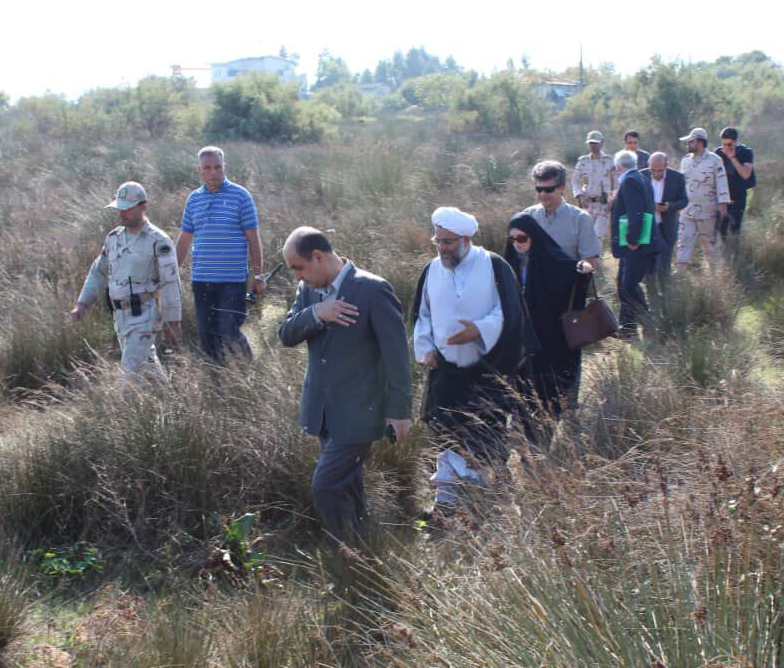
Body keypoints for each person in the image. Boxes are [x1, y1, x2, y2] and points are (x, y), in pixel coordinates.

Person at [277, 227, 412, 544]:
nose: (297, 276)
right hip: (324, 411)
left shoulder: (373, 290)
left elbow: (397, 356)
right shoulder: (308, 292)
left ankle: (343, 548)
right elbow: (286, 334)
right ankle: (364, 547)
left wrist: (400, 412)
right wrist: (317, 313)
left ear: (318, 257)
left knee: (325, 486)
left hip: (360, 412)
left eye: (298, 267)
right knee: (348, 484)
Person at [411, 207, 536, 508]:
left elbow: (510, 313)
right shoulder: (431, 269)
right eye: (438, 241)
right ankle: (446, 501)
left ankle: (481, 498)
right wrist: (426, 347)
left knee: (483, 433)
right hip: (445, 369)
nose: (443, 248)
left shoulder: (494, 266)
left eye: (449, 242)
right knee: (446, 432)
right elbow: (422, 314)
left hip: (487, 370)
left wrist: (478, 331)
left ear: (466, 239)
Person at [71, 181, 182, 381]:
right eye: (119, 208)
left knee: (129, 377)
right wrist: (82, 304)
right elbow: (98, 271)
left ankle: (121, 412)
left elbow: (170, 282)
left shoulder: (158, 240)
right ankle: (172, 401)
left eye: (127, 208)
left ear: (142, 207)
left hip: (144, 317)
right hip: (121, 318)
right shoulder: (113, 238)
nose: (122, 213)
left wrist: (172, 322)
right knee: (148, 369)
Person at [175, 146, 265, 364]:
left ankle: (248, 373)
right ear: (200, 170)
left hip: (232, 280)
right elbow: (184, 239)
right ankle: (216, 385)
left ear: (224, 167)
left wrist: (259, 276)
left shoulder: (241, 196)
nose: (213, 172)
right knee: (207, 336)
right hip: (202, 280)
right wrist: (170, 272)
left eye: (218, 167)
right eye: (207, 168)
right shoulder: (193, 199)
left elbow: (253, 239)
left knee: (228, 330)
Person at [503, 213, 593, 422]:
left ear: (533, 236)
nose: (517, 244)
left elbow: (571, 271)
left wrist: (582, 271)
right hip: (520, 338)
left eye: (522, 238)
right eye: (512, 239)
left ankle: (546, 427)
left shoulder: (551, 260)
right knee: (520, 389)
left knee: (547, 386)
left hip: (548, 335)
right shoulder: (508, 263)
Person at [610, 151, 665, 339]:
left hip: (636, 244)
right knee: (623, 284)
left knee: (629, 286)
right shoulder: (641, 177)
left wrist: (632, 239)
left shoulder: (629, 181)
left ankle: (650, 322)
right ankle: (627, 328)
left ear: (618, 167)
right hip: (641, 242)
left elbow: (637, 212)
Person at [522, 160, 602, 270]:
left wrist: (583, 266)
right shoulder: (527, 216)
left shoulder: (580, 219)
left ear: (562, 187)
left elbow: (590, 260)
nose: (542, 194)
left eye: (548, 189)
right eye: (539, 189)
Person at [677, 128, 730, 272]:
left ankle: (714, 276)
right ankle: (680, 274)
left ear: (700, 142)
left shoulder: (714, 160)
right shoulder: (685, 161)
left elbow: (721, 182)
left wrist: (723, 204)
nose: (688, 144)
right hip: (687, 210)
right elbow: (681, 183)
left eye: (691, 141)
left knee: (709, 244)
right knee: (684, 241)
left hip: (707, 212)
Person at [639, 152, 689, 280]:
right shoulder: (641, 175)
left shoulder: (677, 177)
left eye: (660, 171)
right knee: (648, 256)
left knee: (666, 255)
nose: (656, 174)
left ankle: (665, 285)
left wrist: (668, 207)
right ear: (648, 165)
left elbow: (684, 200)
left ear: (666, 165)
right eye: (653, 170)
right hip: (648, 222)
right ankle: (650, 284)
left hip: (668, 223)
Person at [570, 131, 616, 244]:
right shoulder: (583, 161)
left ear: (602, 142)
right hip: (588, 204)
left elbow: (616, 183)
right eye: (591, 143)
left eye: (595, 143)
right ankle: (589, 259)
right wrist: (579, 195)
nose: (593, 145)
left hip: (603, 204)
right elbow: (574, 180)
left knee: (597, 235)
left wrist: (612, 199)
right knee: (586, 234)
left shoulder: (610, 161)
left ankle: (596, 260)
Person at [714, 126, 756, 239]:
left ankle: (735, 253)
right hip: (723, 197)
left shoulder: (746, 152)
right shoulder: (718, 153)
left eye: (729, 145)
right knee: (720, 230)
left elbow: (746, 174)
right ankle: (722, 254)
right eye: (724, 144)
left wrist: (732, 158)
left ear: (736, 142)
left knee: (734, 230)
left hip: (738, 196)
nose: (726, 147)